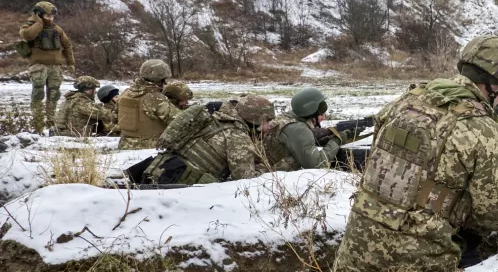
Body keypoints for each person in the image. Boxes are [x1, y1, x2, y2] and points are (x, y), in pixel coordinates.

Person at [332, 35, 498, 272]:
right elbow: (495, 217)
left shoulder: (407, 100)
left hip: (352, 260)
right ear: (495, 85)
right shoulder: (482, 128)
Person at [142, 94, 276, 184]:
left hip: (160, 172)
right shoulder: (237, 135)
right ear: (255, 119)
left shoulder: (215, 118)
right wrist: (267, 167)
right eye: (267, 121)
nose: (269, 126)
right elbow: (244, 180)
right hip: (180, 185)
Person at [262, 87, 357, 172]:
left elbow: (302, 143)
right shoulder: (298, 129)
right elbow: (317, 164)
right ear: (310, 113)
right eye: (321, 114)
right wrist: (337, 139)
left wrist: (328, 139)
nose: (324, 118)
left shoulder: (287, 118)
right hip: (268, 176)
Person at [18, 1, 75, 134]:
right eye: (47, 16)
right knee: (38, 95)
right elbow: (28, 35)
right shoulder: (29, 26)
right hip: (39, 67)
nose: (50, 19)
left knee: (54, 96)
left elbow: (67, 45)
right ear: (38, 14)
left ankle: (51, 126)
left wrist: (70, 63)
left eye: (52, 16)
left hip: (55, 68)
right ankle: (38, 127)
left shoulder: (57, 29)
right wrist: (38, 23)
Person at [117, 59, 182, 150]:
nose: (165, 83)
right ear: (160, 80)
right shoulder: (155, 97)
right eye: (164, 80)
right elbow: (180, 121)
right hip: (149, 147)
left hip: (124, 145)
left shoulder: (125, 93)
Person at [54, 76, 118, 136]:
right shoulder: (82, 102)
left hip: (65, 133)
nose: (95, 92)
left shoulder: (71, 99)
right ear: (88, 89)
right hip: (74, 136)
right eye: (94, 89)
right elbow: (105, 115)